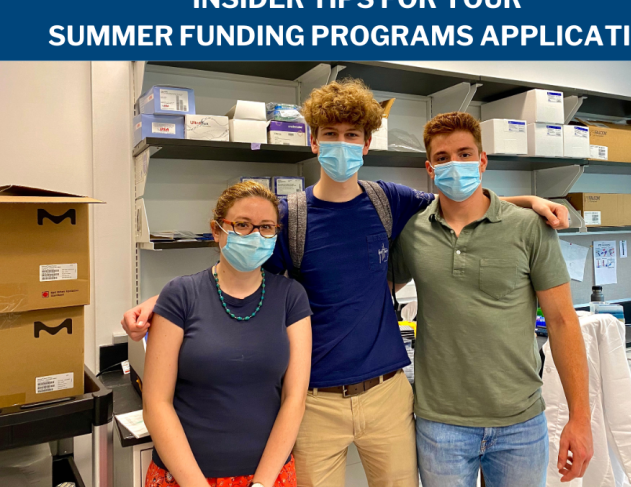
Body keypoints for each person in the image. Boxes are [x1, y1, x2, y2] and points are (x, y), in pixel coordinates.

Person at [124, 79, 570, 487]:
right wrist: (167, 298)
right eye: (331, 134)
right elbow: (238, 269)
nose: (341, 144)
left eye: (352, 135)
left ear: (367, 143)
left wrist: (529, 201)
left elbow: (458, 202)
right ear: (314, 142)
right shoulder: (288, 217)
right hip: (313, 402)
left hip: (387, 395)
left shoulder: (388, 200)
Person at [388, 112, 593, 487]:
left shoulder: (530, 226)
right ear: (430, 169)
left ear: (482, 161)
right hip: (440, 423)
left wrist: (580, 420)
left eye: (466, 154)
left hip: (520, 421)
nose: (456, 164)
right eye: (444, 157)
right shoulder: (412, 232)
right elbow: (375, 290)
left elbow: (563, 322)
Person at [142, 181, 312, 487]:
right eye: (243, 225)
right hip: (184, 476)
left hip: (269, 474)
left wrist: (261, 483)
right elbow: (156, 404)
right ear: (218, 230)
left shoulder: (291, 297)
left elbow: (294, 399)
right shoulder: (180, 294)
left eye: (267, 227)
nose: (256, 235)